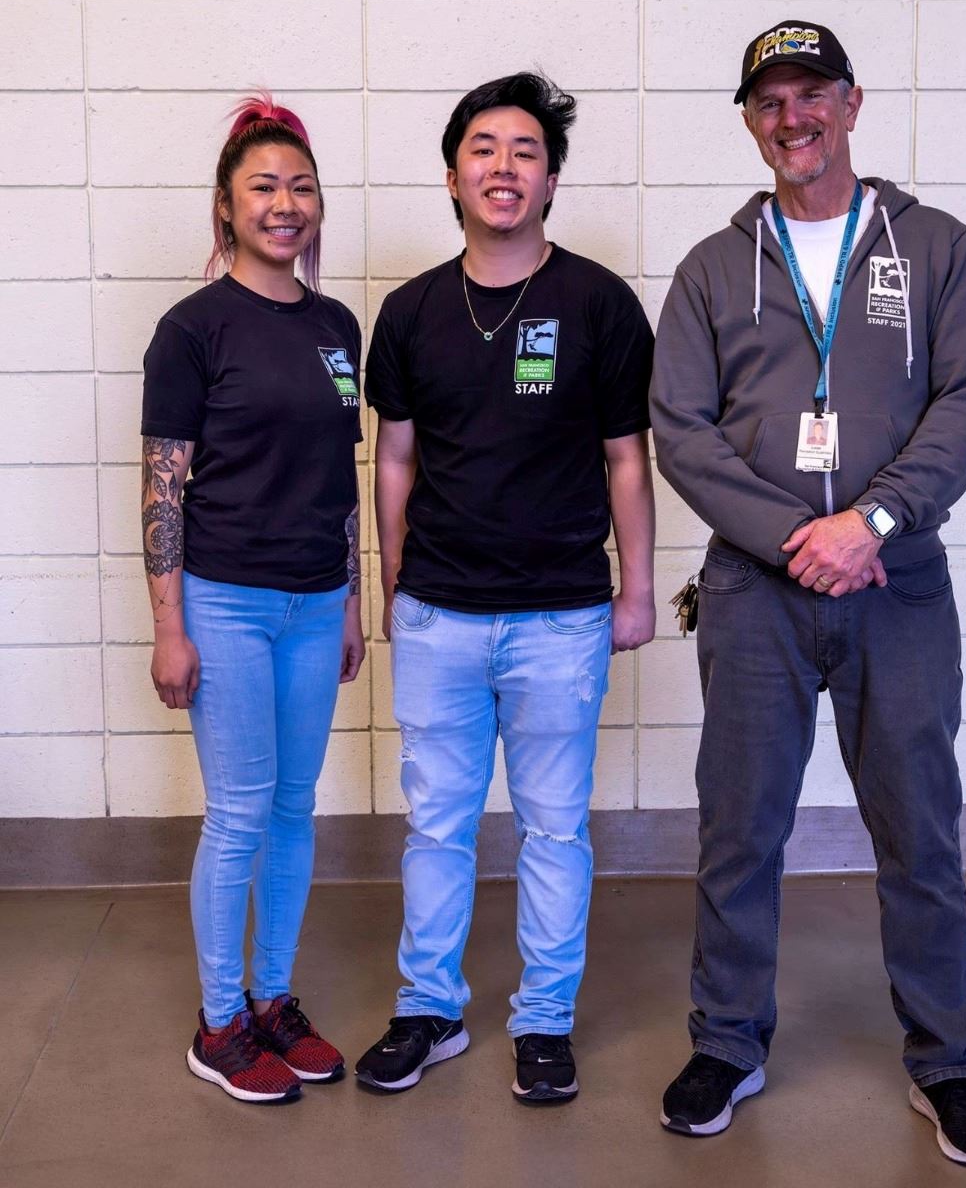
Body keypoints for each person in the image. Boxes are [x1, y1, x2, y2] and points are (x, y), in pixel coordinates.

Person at [649, 21, 966, 1166]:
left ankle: (949, 1059)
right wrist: (798, 535)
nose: (792, 117)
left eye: (813, 95)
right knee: (740, 828)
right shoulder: (714, 267)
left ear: (852, 105)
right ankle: (727, 1042)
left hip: (897, 585)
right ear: (751, 119)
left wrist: (874, 523)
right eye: (770, 100)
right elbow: (682, 431)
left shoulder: (934, 246)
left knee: (919, 827)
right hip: (756, 594)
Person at [356, 72, 655, 1106]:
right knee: (437, 825)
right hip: (439, 611)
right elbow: (393, 457)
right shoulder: (408, 312)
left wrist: (638, 590)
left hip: (562, 613)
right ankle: (428, 1010)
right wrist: (396, 582)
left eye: (525, 151)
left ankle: (544, 1021)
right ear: (452, 175)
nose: (503, 167)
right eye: (483, 149)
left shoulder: (600, 304)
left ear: (552, 180)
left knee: (553, 828)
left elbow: (627, 457)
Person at [140, 93, 364, 1104]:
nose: (286, 203)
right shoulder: (191, 331)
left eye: (301, 186)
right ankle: (219, 1019)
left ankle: (273, 999)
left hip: (317, 607)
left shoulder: (335, 327)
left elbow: (341, 476)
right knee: (236, 816)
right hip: (225, 605)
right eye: (263, 187)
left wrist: (354, 602)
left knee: (291, 808)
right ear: (226, 209)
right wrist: (169, 630)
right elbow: (162, 488)